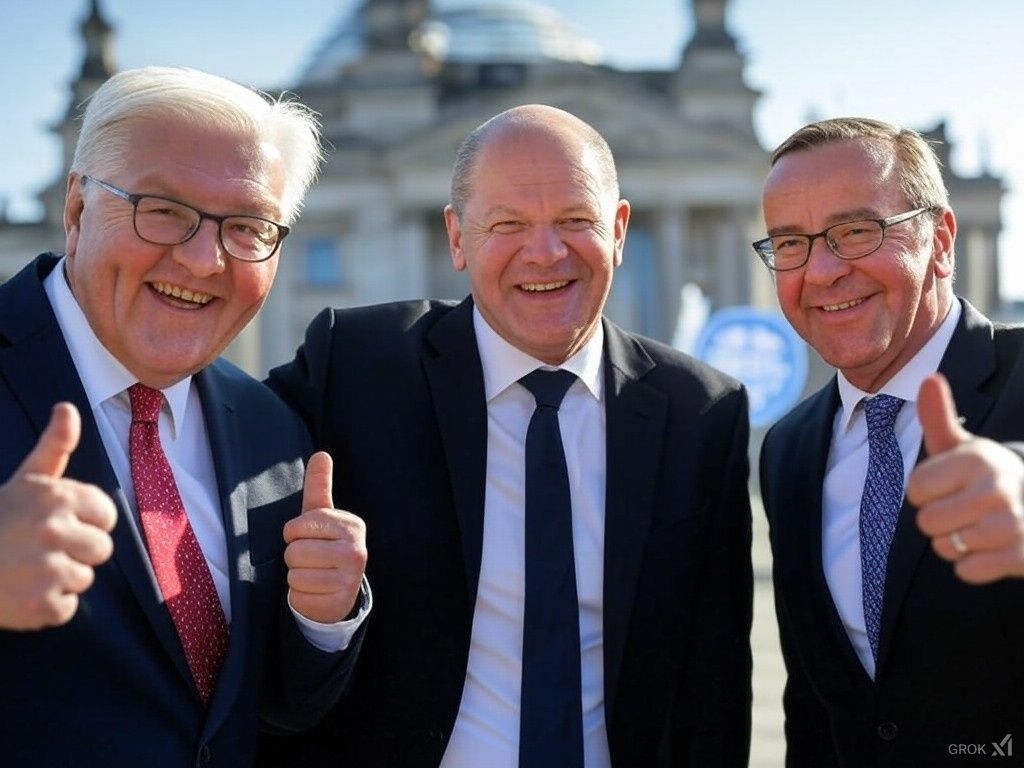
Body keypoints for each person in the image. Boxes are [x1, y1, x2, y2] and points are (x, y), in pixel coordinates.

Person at [257, 104, 753, 768]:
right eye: (507, 224)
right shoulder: (353, 366)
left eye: (575, 220)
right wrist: (319, 617)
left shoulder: (703, 410)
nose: (545, 253)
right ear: (457, 238)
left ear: (618, 230)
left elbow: (715, 680)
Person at [0, 67, 370, 766]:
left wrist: (320, 621)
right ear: (76, 209)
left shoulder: (271, 429)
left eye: (247, 227)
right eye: (164, 210)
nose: (204, 261)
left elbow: (264, 715)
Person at [755, 117, 1024, 767]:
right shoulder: (788, 449)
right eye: (790, 244)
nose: (821, 272)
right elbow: (814, 704)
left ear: (941, 241)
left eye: (855, 232)